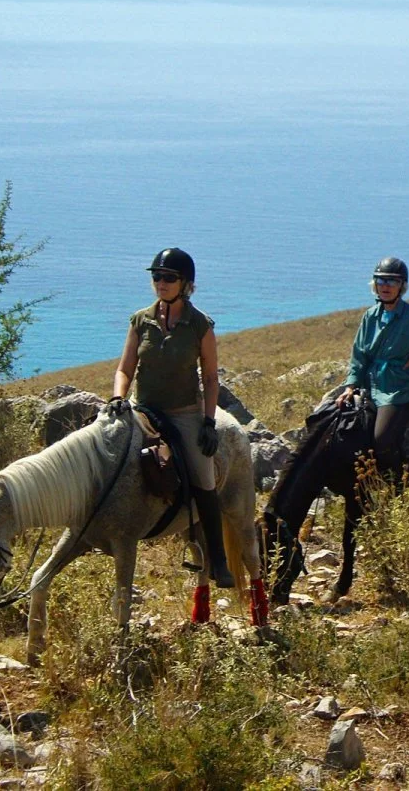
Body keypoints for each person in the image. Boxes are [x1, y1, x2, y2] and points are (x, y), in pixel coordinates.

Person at [109, 247, 234, 588]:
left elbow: (210, 378)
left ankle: (219, 559)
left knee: (204, 477)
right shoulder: (140, 321)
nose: (160, 283)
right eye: (156, 277)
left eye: (168, 278)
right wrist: (119, 397)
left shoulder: (200, 326)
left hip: (183, 413)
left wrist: (208, 422)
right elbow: (125, 368)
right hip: (143, 410)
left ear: (186, 284)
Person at [334, 257, 409, 479]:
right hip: (371, 385)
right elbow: (359, 354)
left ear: (402, 286)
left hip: (401, 389)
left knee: (382, 441)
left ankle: (397, 486)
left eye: (392, 281)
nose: (386, 286)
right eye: (381, 281)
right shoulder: (371, 316)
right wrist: (351, 385)